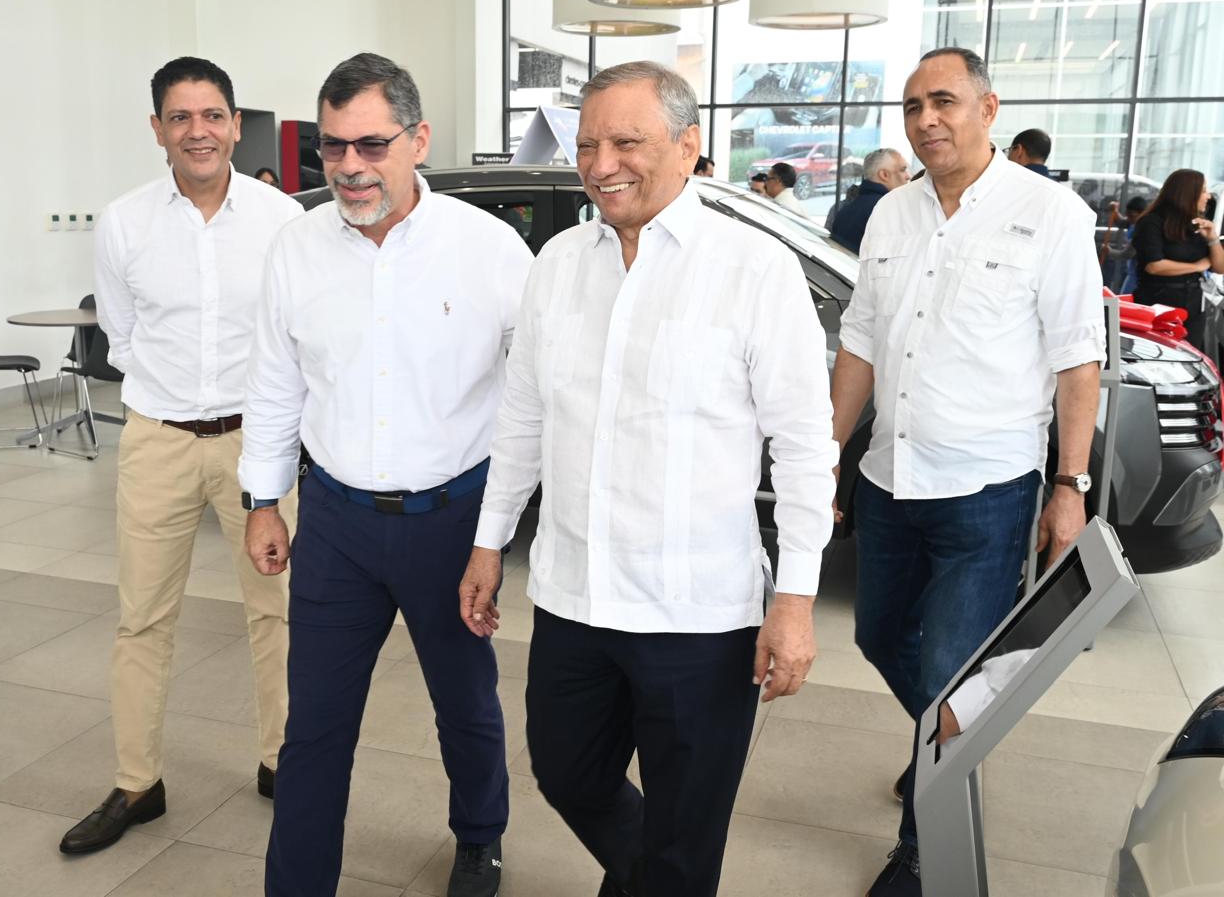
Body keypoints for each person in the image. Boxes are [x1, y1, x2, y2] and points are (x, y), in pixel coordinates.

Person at [458, 61, 839, 897]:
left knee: (686, 825)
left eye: (626, 142)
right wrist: (489, 541)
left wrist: (796, 599)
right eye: (587, 145)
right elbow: (522, 417)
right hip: (575, 594)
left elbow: (805, 446)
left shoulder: (753, 268)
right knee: (566, 770)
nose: (601, 165)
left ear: (688, 146)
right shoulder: (558, 262)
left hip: (698, 616)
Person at [239, 51, 532, 897]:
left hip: (452, 521)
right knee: (314, 726)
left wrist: (495, 534)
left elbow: (530, 398)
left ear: (419, 139)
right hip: (335, 523)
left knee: (464, 703)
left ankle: (479, 836)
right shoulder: (296, 247)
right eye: (332, 146)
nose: (350, 166)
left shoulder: (489, 249)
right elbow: (274, 382)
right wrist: (263, 498)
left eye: (372, 144)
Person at [830, 47, 1104, 897]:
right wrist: (824, 456)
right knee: (879, 636)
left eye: (943, 101)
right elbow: (860, 343)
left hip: (987, 490)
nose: (926, 120)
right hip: (890, 477)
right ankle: (946, 735)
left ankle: (923, 845)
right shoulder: (891, 213)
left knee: (951, 670)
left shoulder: (1049, 213)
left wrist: (1071, 485)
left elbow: (1078, 359)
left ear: (989, 108)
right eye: (913, 106)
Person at [60, 57, 303, 855]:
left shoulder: (281, 219)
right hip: (157, 440)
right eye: (180, 117)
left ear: (234, 124)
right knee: (142, 618)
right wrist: (173, 395)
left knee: (276, 609)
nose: (198, 131)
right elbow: (121, 333)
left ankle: (282, 760)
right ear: (158, 129)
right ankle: (138, 782)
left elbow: (295, 333)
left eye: (212, 115)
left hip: (256, 443)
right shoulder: (124, 221)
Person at [1132, 169, 1224, 352]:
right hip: (1159, 300)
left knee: (1191, 355)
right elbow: (1154, 266)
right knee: (1157, 354)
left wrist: (1213, 239)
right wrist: (1196, 266)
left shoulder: (1197, 224)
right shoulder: (1151, 222)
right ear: (1187, 194)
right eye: (1203, 191)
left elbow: (1220, 268)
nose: (1208, 196)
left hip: (1193, 303)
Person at [830, 148, 911, 253]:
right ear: (884, 175)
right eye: (903, 170)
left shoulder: (844, 211)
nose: (908, 176)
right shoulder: (888, 211)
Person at [1114, 196, 1149, 294]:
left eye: (1132, 216)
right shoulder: (1134, 222)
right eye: (1128, 215)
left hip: (1139, 275)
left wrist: (1109, 251)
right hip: (1131, 270)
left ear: (1142, 214)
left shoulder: (1144, 230)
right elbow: (1121, 222)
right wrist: (1114, 211)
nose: (1129, 219)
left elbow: (1128, 254)